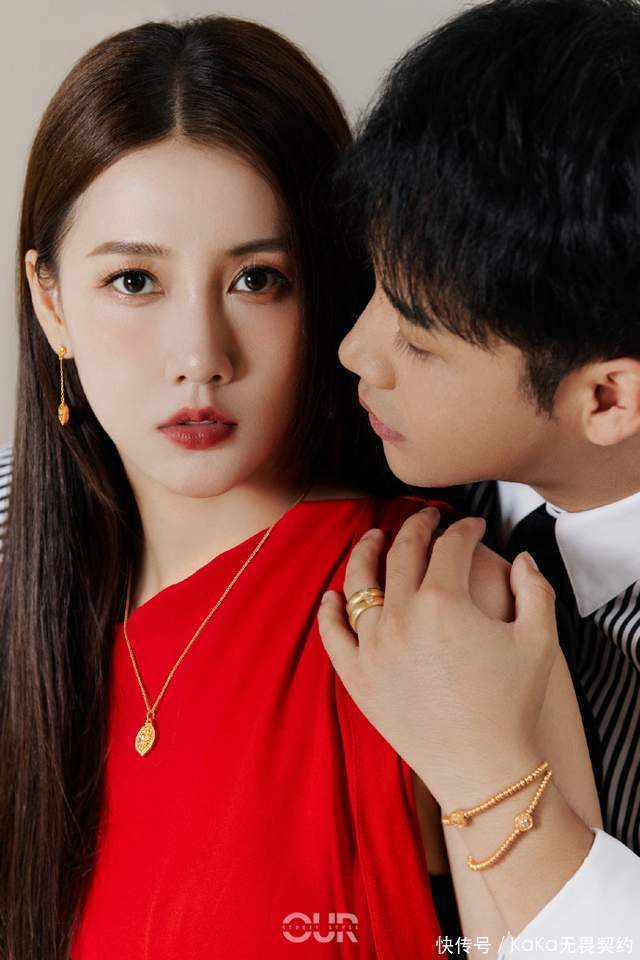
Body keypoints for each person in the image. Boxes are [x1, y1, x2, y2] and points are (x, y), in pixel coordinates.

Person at [0, 12, 548, 960]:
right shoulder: (27, 578)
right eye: (134, 282)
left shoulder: (433, 602)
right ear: (51, 302)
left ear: (327, 292)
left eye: (257, 280)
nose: (200, 356)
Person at [319, 0, 640, 953]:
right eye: (374, 285)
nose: (354, 350)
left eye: (419, 340)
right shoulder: (360, 478)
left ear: (609, 398)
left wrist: (483, 765)